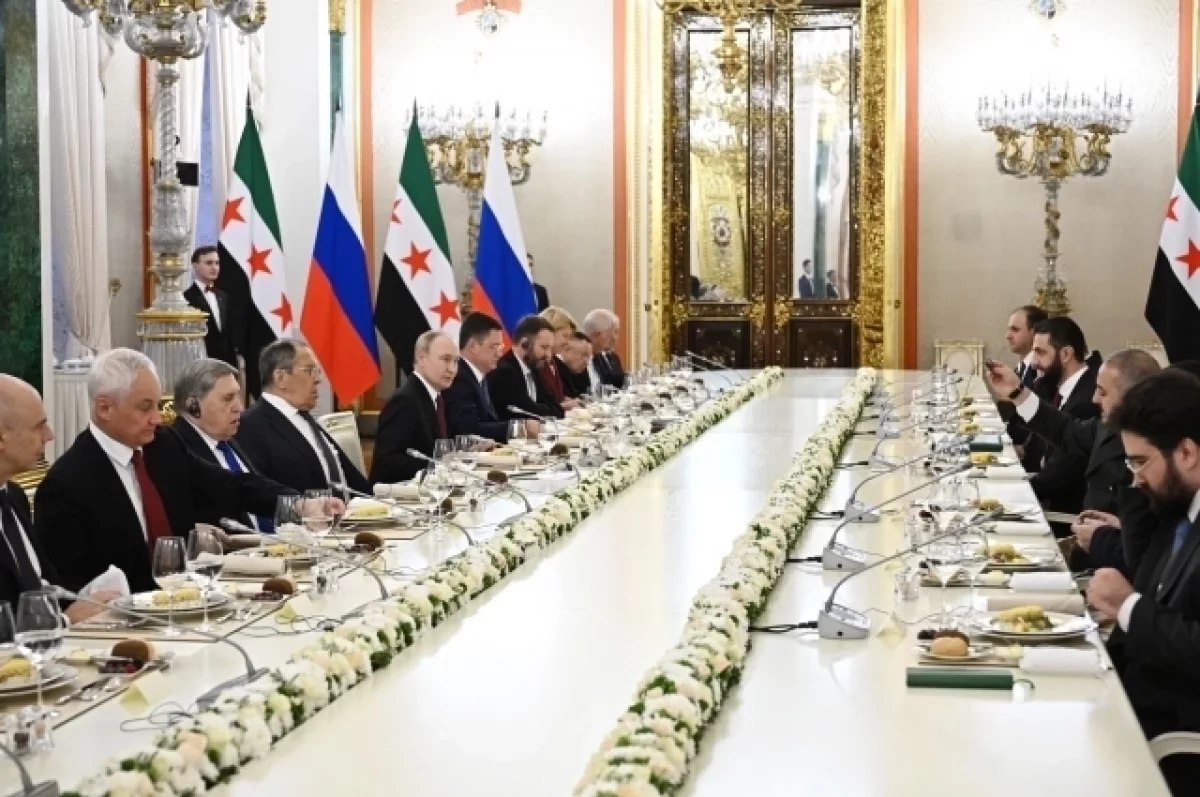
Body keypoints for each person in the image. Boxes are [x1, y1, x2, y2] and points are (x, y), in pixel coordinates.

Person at [36, 349, 296, 594]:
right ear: (105, 408)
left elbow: (230, 486)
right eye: (145, 407)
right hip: (125, 616)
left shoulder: (163, 445)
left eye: (158, 405)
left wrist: (298, 504)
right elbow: (68, 589)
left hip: (188, 599)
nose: (157, 418)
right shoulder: (67, 484)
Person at [1086, 370, 1200, 795]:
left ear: (1186, 452)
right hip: (1128, 705)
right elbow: (1144, 575)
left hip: (1173, 742)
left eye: (1140, 461)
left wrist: (1128, 606)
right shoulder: (1180, 508)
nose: (1135, 478)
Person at [986, 348, 1161, 572]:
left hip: (1104, 571)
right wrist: (1017, 393)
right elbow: (1065, 430)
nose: (1094, 398)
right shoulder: (1107, 428)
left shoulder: (1156, 458)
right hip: (1081, 550)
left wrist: (1106, 537)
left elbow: (1150, 552)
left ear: (1132, 396)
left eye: (1103, 392)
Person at [0, 375, 116, 623]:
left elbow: (38, 584)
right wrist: (63, 620)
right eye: (39, 426)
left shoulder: (13, 496)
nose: (49, 435)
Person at [236, 340, 371, 498]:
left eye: (317, 371)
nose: (318, 379)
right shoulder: (249, 426)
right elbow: (259, 494)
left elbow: (354, 482)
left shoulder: (303, 416)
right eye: (309, 371)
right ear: (281, 378)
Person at [171, 359, 273, 532]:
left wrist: (297, 502)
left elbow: (252, 487)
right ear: (193, 406)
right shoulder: (177, 449)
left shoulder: (232, 437)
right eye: (227, 398)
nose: (239, 408)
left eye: (238, 396)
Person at [1021, 317, 1100, 520]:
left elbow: (1055, 480)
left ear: (1066, 354)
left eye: (1040, 352)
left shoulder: (1086, 402)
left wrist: (1009, 495)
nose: (1034, 362)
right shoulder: (1058, 389)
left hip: (1064, 518)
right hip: (1045, 497)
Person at [371, 331, 460, 484]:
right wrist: (438, 466)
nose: (452, 369)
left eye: (455, 361)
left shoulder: (436, 396)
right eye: (445, 359)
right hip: (398, 493)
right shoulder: (404, 401)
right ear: (421, 358)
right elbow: (387, 463)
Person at [445, 313, 538, 444]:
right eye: (494, 346)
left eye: (500, 347)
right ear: (473, 346)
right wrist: (517, 427)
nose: (499, 353)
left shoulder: (480, 376)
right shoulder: (459, 378)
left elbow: (489, 421)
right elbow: (468, 429)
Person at [487, 314, 563, 421]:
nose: (548, 355)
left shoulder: (533, 368)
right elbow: (531, 412)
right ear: (524, 344)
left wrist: (545, 408)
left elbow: (557, 410)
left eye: (550, 348)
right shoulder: (505, 372)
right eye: (544, 347)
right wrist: (545, 408)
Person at [183, 246, 240, 368]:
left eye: (217, 263)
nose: (214, 267)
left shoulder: (223, 296)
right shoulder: (186, 298)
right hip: (202, 363)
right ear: (195, 266)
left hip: (226, 364)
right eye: (209, 263)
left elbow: (228, 334)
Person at [539, 306, 583, 412]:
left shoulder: (554, 362)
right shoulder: (537, 363)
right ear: (550, 332)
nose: (568, 342)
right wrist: (561, 405)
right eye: (565, 336)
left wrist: (564, 400)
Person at [583, 309, 626, 390]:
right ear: (596, 334)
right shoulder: (576, 359)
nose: (615, 337)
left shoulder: (609, 357)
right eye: (614, 332)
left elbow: (620, 385)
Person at [559, 332, 594, 399]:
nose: (586, 362)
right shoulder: (553, 370)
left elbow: (587, 396)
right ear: (567, 350)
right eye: (584, 355)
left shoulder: (580, 370)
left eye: (589, 357)